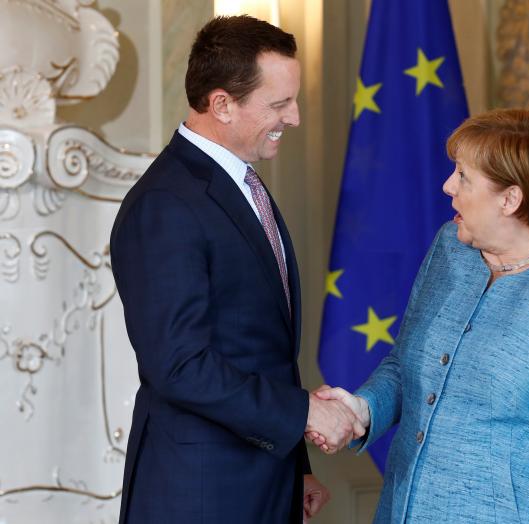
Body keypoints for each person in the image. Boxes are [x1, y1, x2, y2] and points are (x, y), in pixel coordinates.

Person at [310, 109, 529, 523]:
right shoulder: (451, 247)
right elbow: (405, 364)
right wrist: (361, 410)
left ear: (510, 199)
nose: (447, 186)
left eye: (463, 176)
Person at [111, 15, 362, 524]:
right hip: (200, 494)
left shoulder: (241, 183)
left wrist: (297, 464)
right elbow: (179, 365)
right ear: (221, 103)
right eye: (278, 104)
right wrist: (304, 413)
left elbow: (263, 350)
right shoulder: (166, 203)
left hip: (263, 478)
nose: (293, 117)